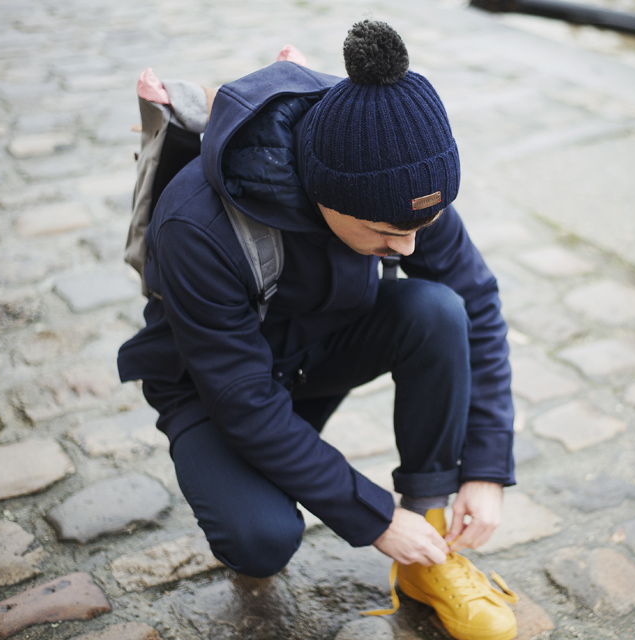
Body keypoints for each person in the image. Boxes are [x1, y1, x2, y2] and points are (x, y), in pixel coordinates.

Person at [117, 20, 517, 640]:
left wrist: (486, 467)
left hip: (316, 352)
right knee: (262, 539)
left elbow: (479, 302)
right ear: (324, 197)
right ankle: (265, 482)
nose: (407, 245)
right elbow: (243, 401)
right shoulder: (194, 226)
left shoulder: (401, 181)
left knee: (438, 310)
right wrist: (375, 515)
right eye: (387, 236)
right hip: (214, 389)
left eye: (421, 225)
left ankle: (429, 550)